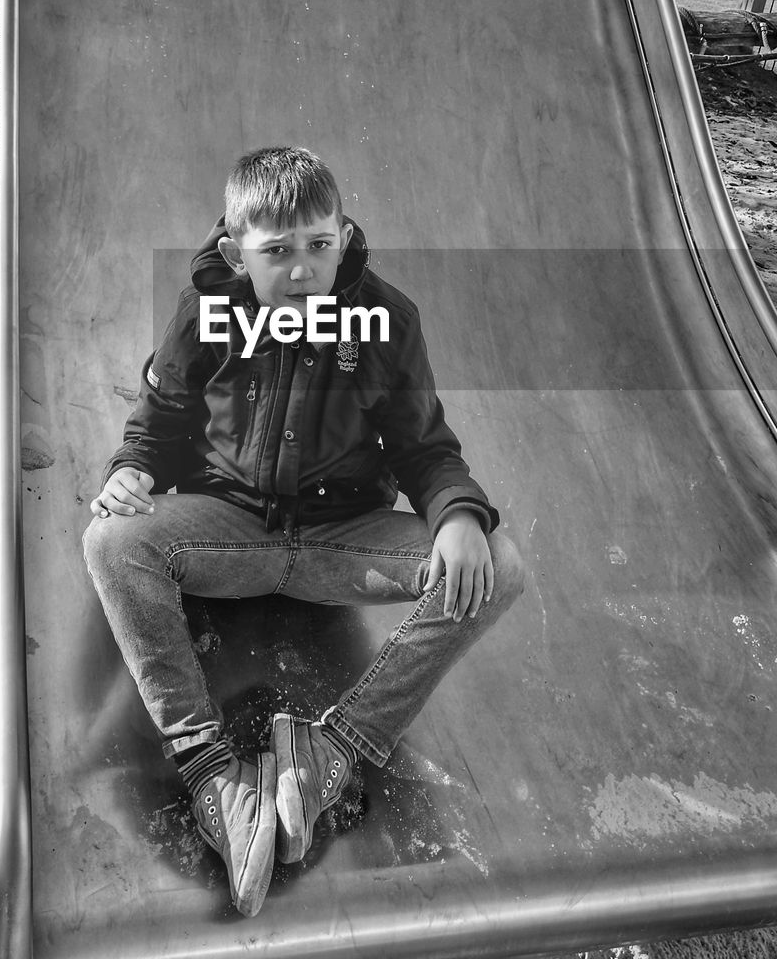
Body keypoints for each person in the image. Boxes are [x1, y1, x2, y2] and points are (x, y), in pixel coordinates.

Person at [83, 146, 524, 916]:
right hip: (231, 533)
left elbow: (424, 446)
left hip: (339, 543)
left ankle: (334, 747)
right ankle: (208, 767)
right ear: (234, 253)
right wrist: (134, 469)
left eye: (319, 246)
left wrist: (455, 515)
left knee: (501, 564)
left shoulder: (385, 322)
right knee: (112, 542)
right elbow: (160, 417)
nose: (301, 269)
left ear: (344, 236)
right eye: (277, 251)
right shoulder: (203, 312)